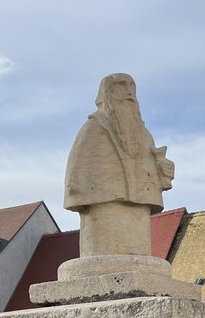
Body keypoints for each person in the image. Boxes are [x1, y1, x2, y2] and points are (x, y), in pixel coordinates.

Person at [65, 73, 174, 215]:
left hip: (141, 207)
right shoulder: (93, 128)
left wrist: (165, 169)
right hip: (103, 202)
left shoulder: (145, 136)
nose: (129, 92)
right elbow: (76, 170)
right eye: (121, 87)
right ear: (107, 94)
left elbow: (155, 170)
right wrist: (77, 188)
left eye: (131, 87)